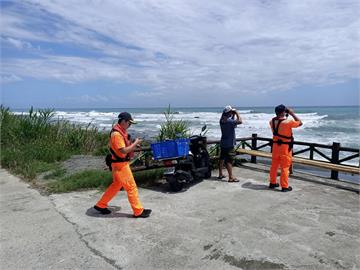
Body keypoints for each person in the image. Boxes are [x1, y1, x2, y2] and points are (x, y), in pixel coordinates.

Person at [94, 112, 152, 218]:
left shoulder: (120, 132)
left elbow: (124, 147)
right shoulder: (116, 134)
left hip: (119, 164)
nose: (129, 125)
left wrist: (133, 142)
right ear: (124, 121)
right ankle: (138, 211)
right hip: (120, 165)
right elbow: (124, 150)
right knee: (131, 187)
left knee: (116, 185)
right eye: (129, 123)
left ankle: (100, 205)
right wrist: (135, 143)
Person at [269, 105, 302, 192]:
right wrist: (291, 113)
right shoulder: (288, 122)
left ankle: (272, 182)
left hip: (275, 147)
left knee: (274, 166)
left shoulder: (272, 121)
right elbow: (300, 122)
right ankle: (284, 186)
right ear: (284, 112)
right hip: (285, 148)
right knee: (285, 167)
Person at [218, 105, 242, 182]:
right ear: (229, 112)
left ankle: (220, 174)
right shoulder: (229, 121)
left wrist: (233, 114)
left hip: (223, 142)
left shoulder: (222, 120)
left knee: (222, 158)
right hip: (229, 143)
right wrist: (237, 113)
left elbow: (232, 123)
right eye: (231, 112)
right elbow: (240, 121)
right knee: (229, 160)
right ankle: (231, 177)